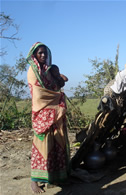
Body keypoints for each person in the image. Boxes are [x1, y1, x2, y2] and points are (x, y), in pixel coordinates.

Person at [27, 42, 70, 193]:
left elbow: (56, 86)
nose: (43, 55)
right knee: (41, 146)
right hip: (42, 114)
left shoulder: (48, 70)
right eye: (40, 53)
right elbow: (38, 94)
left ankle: (54, 176)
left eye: (45, 53)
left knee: (55, 143)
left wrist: (59, 81)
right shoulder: (33, 71)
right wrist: (57, 98)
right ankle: (35, 181)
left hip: (53, 114)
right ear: (35, 55)